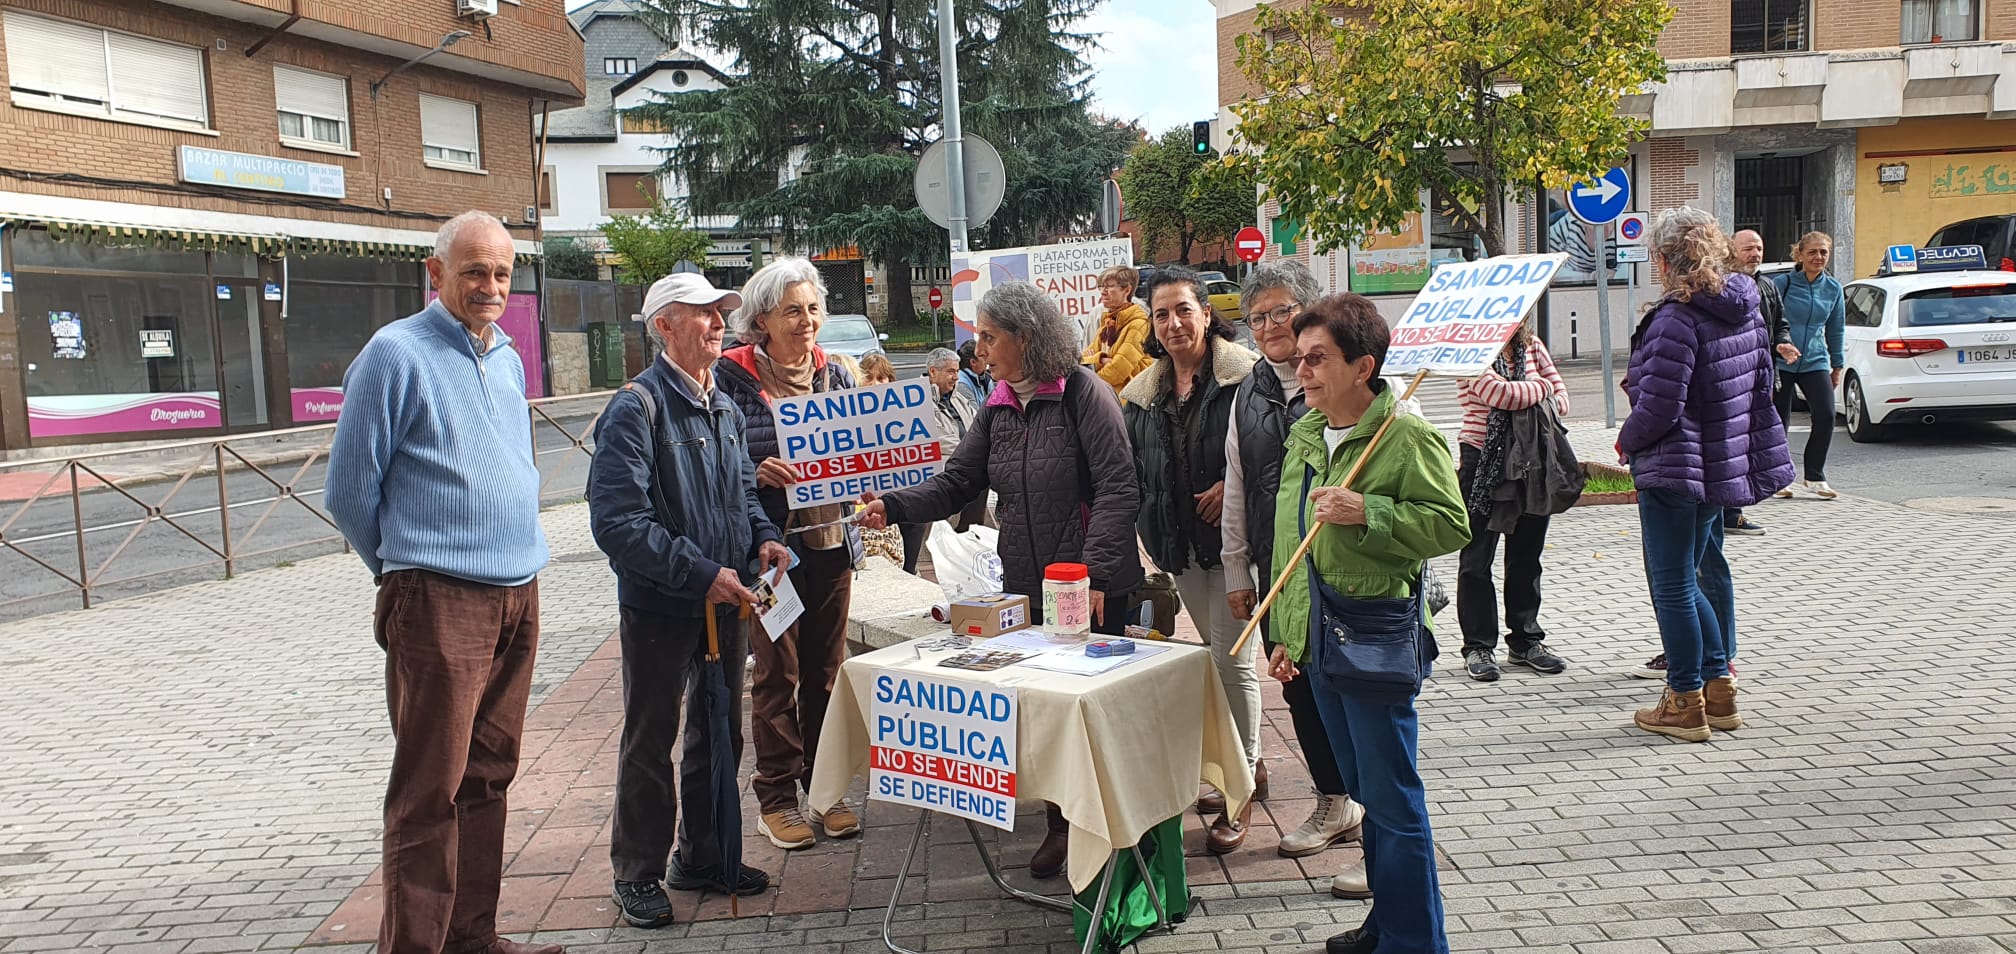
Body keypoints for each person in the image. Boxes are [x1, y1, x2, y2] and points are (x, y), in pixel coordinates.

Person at [325, 211, 563, 954]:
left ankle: (472, 939)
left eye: (501, 272)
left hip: (518, 590)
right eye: (473, 271)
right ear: (435, 274)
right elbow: (348, 493)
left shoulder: (508, 358)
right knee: (429, 792)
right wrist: (404, 576)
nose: (490, 286)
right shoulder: (394, 354)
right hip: (439, 599)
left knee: (487, 778)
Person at [857, 281, 1143, 880]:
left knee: (1093, 711)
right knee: (1045, 711)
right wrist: (894, 503)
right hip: (1025, 582)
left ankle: (1114, 830)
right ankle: (1061, 827)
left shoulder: (1084, 395)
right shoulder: (998, 404)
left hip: (1089, 586)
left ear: (1026, 337)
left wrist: (1091, 574)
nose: (979, 348)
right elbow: (958, 482)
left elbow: (1119, 489)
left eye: (989, 336)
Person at [1263, 293, 1470, 954]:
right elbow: (1289, 543)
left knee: (1393, 798)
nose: (1304, 371)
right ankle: (1388, 926)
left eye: (1319, 358)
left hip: (1374, 634)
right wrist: (1286, 636)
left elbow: (1451, 525)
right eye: (1300, 360)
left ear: (1364, 365)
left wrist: (1369, 512)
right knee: (1364, 791)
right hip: (1319, 639)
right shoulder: (1304, 434)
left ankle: (1416, 943)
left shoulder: (1403, 433)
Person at [587, 273, 792, 927]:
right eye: (702, 314)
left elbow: (742, 492)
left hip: (723, 601)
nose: (717, 323)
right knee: (651, 739)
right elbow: (617, 523)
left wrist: (762, 539)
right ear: (663, 326)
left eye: (719, 313)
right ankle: (637, 873)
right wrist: (699, 570)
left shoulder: (722, 405)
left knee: (719, 731)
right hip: (662, 606)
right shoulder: (636, 408)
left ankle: (701, 856)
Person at [1221, 261, 1369, 898]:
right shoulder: (1250, 392)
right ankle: (1333, 803)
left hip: (1346, 576)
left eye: (1281, 312)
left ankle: (1377, 830)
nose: (1269, 327)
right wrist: (1237, 565)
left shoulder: (1357, 387)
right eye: (1257, 318)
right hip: (1279, 569)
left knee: (1357, 703)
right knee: (1301, 692)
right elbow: (1236, 486)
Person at [1619, 207, 1793, 743]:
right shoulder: (1746, 308)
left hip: (1675, 465)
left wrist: (1628, 439)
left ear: (1667, 259)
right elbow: (1762, 388)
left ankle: (1685, 700)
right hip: (1721, 462)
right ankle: (1719, 693)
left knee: (1673, 586)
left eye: (1656, 257)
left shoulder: (1677, 317)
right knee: (1691, 580)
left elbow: (1661, 405)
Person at [714, 257, 864, 851]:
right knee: (778, 674)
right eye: (791, 311)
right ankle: (775, 798)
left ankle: (824, 792)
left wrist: (875, 474)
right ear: (761, 321)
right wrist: (755, 470)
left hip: (832, 543)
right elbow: (717, 462)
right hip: (773, 551)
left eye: (812, 309)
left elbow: (862, 446)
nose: (806, 322)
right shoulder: (731, 378)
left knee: (826, 676)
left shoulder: (838, 374)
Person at [1120, 266, 1263, 851]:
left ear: (1207, 312)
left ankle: (1242, 787)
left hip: (1238, 546)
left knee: (1235, 662)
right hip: (1182, 546)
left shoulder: (1245, 380)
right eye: (1161, 314)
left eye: (1183, 309)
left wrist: (1235, 488)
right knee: (1214, 657)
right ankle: (1241, 764)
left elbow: (1270, 455)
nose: (1173, 323)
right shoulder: (1144, 392)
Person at [1454, 323, 1572, 683]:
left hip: (1532, 460)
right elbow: (1497, 395)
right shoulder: (1468, 348)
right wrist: (1541, 389)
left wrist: (1538, 391)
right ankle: (1478, 645)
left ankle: (1525, 639)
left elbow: (1563, 400)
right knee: (1477, 558)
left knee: (1526, 554)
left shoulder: (1532, 345)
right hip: (1482, 460)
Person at [1724, 230, 1796, 536]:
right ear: (1731, 251)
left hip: (1763, 378)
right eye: (1748, 248)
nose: (1755, 254)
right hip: (1735, 380)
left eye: (1760, 248)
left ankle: (1734, 509)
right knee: (1734, 448)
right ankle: (1729, 513)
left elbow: (1780, 324)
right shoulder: (1722, 287)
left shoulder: (1767, 286)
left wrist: (1782, 343)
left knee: (1754, 446)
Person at [1770, 231, 1846, 500]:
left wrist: (1837, 366)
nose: (1818, 257)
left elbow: (1836, 329)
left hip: (1815, 360)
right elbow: (1767, 322)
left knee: (1825, 416)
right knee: (1779, 420)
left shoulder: (1833, 289)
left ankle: (1815, 476)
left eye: (1824, 252)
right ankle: (1778, 478)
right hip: (1782, 360)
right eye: (1812, 252)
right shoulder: (1783, 284)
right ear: (1799, 254)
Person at [895, 348, 985, 575]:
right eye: (950, 372)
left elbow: (977, 428)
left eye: (957, 371)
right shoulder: (918, 401)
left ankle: (967, 543)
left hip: (966, 462)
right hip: (945, 466)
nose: (956, 376)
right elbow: (943, 442)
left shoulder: (959, 398)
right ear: (933, 372)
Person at [1081, 264, 1153, 392]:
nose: (1103, 292)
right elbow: (1082, 360)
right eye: (1101, 287)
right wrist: (1102, 359)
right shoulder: (1108, 323)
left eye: (1109, 286)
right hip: (1111, 397)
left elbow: (1118, 370)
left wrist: (1091, 382)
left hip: (1126, 403)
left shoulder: (1138, 324)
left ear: (1127, 290)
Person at [956, 339, 990, 406]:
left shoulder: (985, 377)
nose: (987, 360)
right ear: (973, 362)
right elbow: (975, 415)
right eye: (983, 356)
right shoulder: (962, 385)